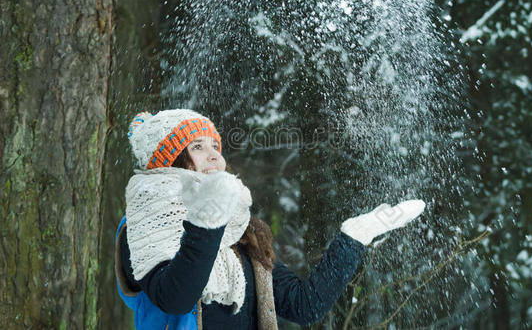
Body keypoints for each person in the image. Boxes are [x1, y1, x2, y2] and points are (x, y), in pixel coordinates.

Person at [114, 109, 425, 329]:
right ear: (170, 160)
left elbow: (305, 306)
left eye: (215, 146)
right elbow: (176, 298)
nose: (215, 157)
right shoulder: (142, 230)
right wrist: (206, 220)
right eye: (197, 147)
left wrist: (355, 237)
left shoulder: (240, 231)